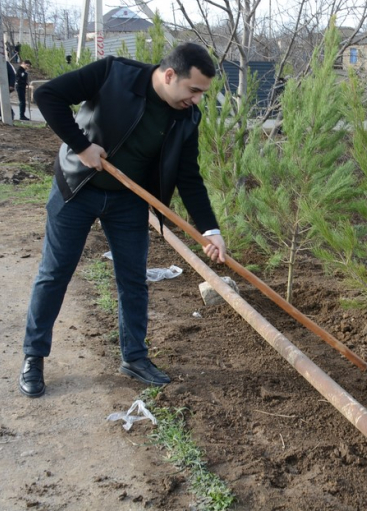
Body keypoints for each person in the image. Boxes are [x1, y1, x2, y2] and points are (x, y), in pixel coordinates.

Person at [18, 43, 227, 399]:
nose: (196, 100)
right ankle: (34, 357)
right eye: (193, 90)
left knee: (133, 279)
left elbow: (189, 176)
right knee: (55, 274)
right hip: (77, 189)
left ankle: (134, 357)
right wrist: (81, 146)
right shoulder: (113, 74)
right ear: (169, 75)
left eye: (202, 94)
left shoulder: (186, 116)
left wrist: (211, 230)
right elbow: (48, 94)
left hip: (130, 200)